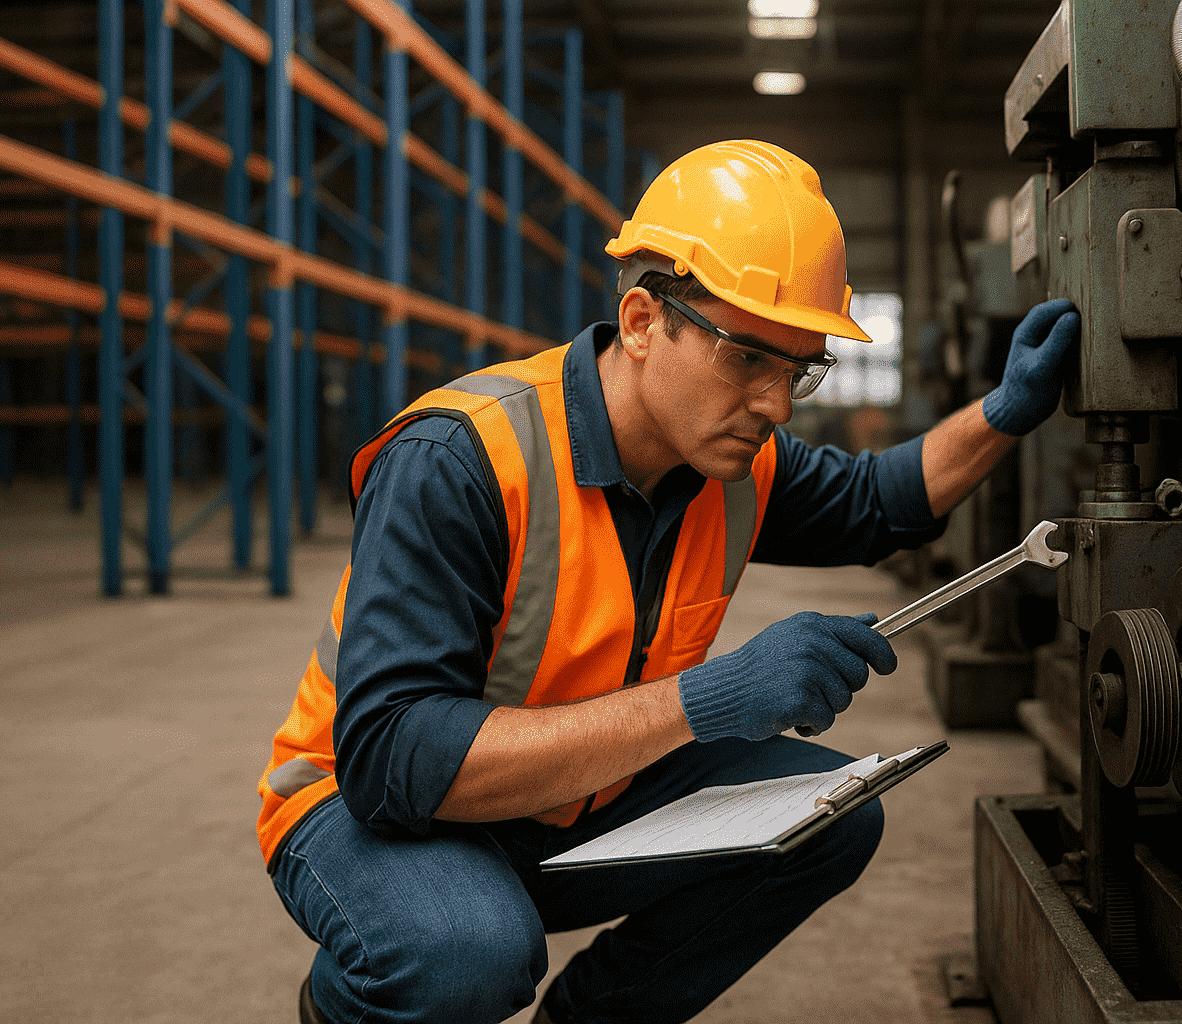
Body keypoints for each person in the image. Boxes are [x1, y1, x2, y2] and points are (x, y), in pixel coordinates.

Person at [256, 139, 1078, 1024]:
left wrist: (1006, 410)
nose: (777, 405)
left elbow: (883, 501)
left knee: (832, 811)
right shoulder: (462, 459)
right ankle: (349, 1006)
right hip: (368, 809)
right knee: (464, 955)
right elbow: (393, 764)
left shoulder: (731, 462)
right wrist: (706, 700)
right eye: (747, 358)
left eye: (799, 367)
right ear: (644, 322)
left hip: (572, 795)